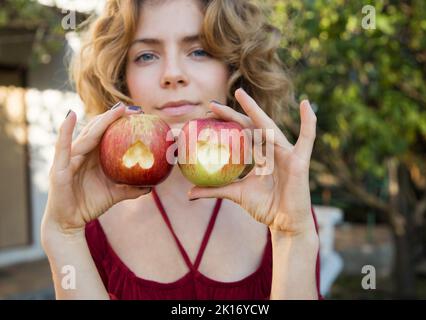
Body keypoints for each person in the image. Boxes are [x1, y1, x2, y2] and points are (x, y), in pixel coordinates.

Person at [41, 0, 322, 300]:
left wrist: (292, 236)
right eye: (146, 55)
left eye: (200, 51)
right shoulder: (88, 220)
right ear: (122, 77)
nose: (173, 74)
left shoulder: (280, 206)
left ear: (234, 68)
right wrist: (64, 235)